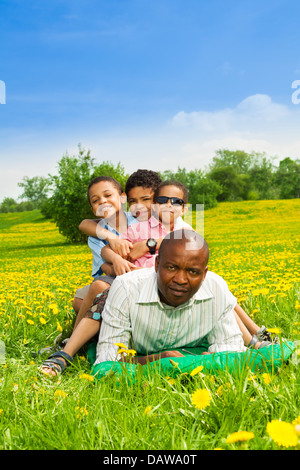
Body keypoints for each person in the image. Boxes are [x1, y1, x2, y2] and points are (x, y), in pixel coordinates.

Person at [40, 178, 193, 376]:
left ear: (122, 199)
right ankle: (70, 345)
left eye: (108, 195)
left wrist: (149, 244)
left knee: (96, 292)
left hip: (141, 275)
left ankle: (69, 347)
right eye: (95, 200)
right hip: (119, 274)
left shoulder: (138, 217)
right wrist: (113, 245)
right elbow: (92, 237)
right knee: (82, 300)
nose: (102, 202)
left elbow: (181, 232)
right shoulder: (98, 234)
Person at [94, 229, 250, 367]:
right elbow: (109, 360)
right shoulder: (126, 288)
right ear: (156, 265)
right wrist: (158, 360)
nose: (181, 279)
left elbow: (231, 350)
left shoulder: (216, 288)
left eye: (193, 272)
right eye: (171, 267)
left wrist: (216, 360)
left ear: (204, 274)